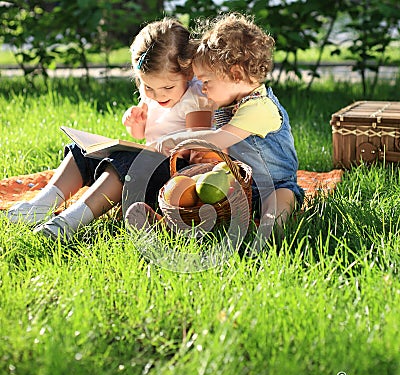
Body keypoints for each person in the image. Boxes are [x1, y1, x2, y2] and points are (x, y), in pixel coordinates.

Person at [5, 17, 212, 242]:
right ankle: (42, 204)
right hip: (147, 164)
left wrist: (171, 148)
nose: (157, 94)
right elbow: (144, 135)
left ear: (188, 73)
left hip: (174, 174)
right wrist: (136, 125)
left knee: (123, 163)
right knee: (83, 150)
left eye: (167, 87)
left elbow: (198, 146)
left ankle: (69, 221)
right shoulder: (152, 96)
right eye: (147, 86)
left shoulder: (194, 99)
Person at [126, 12, 304, 232]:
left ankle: (265, 229)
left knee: (277, 207)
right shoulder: (228, 100)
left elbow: (218, 139)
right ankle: (172, 226)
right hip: (237, 185)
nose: (203, 88)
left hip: (275, 186)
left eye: (207, 81)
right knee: (199, 197)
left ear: (236, 74)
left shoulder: (260, 107)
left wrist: (174, 140)